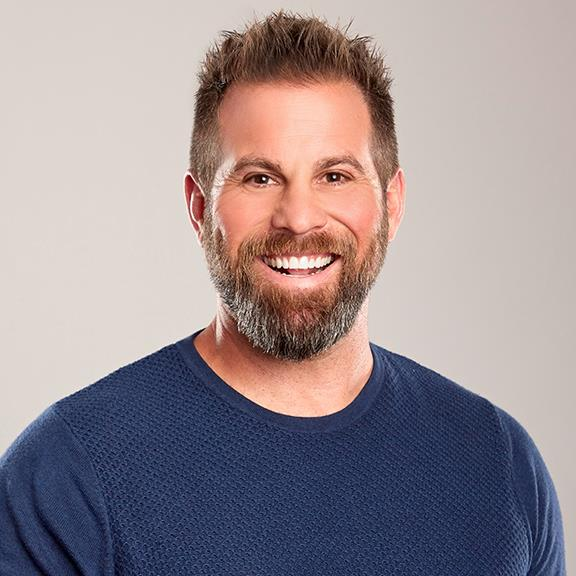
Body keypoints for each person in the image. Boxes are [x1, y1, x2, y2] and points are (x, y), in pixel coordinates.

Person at [0, 11, 566, 575]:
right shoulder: (71, 475)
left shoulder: (499, 464)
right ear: (199, 208)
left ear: (391, 205)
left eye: (335, 176)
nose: (298, 217)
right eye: (260, 178)